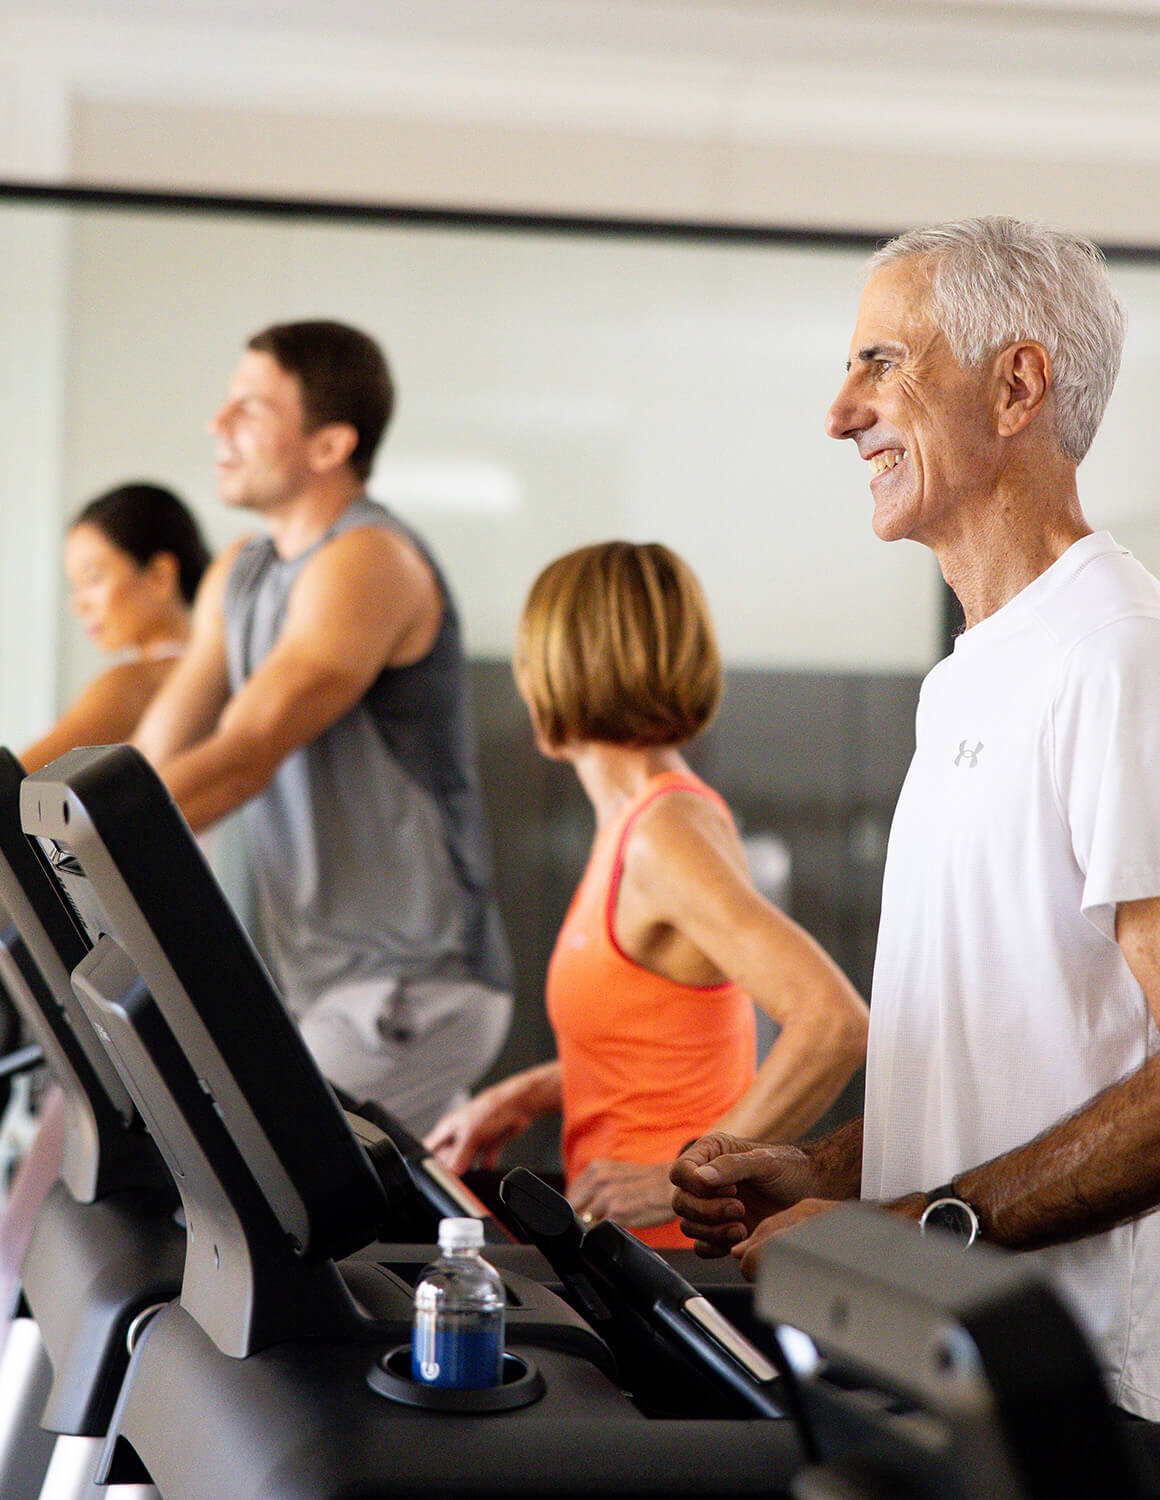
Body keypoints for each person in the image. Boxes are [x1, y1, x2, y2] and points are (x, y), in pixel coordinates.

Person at [671, 217, 1160, 1426]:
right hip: (919, 1358)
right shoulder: (965, 679)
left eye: (880, 364)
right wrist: (830, 1165)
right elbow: (1033, 1052)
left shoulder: (1118, 658)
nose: (839, 414)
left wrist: (911, 1228)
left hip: (1069, 1387)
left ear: (1015, 385)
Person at [426, 541, 868, 1248]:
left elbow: (835, 1022)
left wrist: (676, 1177)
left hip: (670, 1256)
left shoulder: (664, 835)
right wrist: (525, 1094)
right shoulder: (640, 824)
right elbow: (654, 1041)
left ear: (559, 670)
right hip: (619, 1248)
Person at [131, 320, 511, 1136]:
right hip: (325, 984)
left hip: (412, 984)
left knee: (255, 1184)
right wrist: (59, 848)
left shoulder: (368, 561)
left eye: (253, 407)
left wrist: (63, 859)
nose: (217, 423)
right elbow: (154, 760)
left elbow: (242, 756)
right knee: (385, 1215)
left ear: (331, 443)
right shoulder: (242, 569)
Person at [20, 481, 210, 772]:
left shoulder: (133, 684)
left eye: (93, 578)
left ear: (160, 575)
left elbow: (12, 787)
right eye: (75, 585)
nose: (79, 603)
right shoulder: (217, 676)